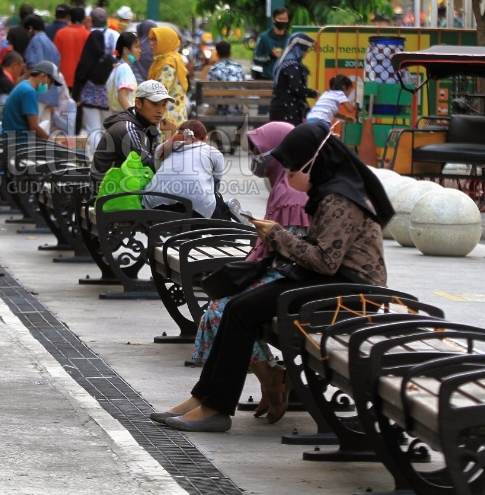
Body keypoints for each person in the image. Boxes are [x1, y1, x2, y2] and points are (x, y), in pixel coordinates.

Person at [151, 121, 392, 432]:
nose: (288, 174)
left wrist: (278, 235)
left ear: (313, 163)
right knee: (236, 307)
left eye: (292, 167)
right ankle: (204, 399)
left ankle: (215, 407)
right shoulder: (329, 190)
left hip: (352, 293)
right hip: (330, 282)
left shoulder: (339, 199)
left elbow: (325, 262)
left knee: (240, 311)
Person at [189, 122, 310, 421]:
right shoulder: (282, 185)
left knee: (222, 310)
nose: (255, 157)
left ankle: (267, 380)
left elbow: (290, 251)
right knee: (219, 307)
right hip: (280, 274)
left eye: (259, 151)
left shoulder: (293, 193)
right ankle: (268, 378)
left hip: (291, 280)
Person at [91, 80, 173, 187]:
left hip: (127, 186)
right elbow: (154, 167)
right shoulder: (127, 129)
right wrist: (168, 136)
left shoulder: (147, 124)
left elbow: (157, 158)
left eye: (164, 105)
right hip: (109, 194)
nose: (161, 110)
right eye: (155, 104)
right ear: (138, 103)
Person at [143, 120, 228, 220]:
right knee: (215, 201)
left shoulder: (161, 149)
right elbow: (216, 184)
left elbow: (158, 171)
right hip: (194, 207)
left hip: (155, 205)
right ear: (206, 139)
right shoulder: (213, 152)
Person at [73, 23, 116, 150]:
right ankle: (109, 154)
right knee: (107, 129)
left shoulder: (85, 60)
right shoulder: (110, 60)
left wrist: (76, 97)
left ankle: (96, 156)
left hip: (88, 99)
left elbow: (79, 79)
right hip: (106, 99)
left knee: (93, 128)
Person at [1, 61, 62, 143]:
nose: (50, 88)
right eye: (50, 83)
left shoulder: (24, 86)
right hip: (20, 144)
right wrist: (52, 141)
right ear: (44, 76)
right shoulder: (29, 92)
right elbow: (34, 127)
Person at [269, 32, 317, 125]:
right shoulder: (292, 65)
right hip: (286, 110)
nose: (307, 52)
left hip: (281, 108)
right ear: (300, 49)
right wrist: (313, 93)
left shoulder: (285, 62)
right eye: (306, 49)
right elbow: (297, 88)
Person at [148, 26, 189, 133]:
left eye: (155, 40)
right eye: (151, 39)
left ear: (165, 41)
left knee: (166, 148)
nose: (151, 43)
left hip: (168, 118)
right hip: (172, 114)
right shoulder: (163, 59)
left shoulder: (169, 63)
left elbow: (160, 90)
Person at [53, 7, 90, 91]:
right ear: (83, 19)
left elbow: (55, 55)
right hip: (81, 78)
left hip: (63, 76)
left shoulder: (60, 33)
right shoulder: (88, 35)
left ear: (70, 17)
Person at [204, 41, 245, 116]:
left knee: (206, 115)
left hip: (218, 110)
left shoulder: (213, 69)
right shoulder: (239, 68)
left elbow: (208, 91)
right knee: (245, 110)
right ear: (230, 53)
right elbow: (243, 88)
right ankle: (240, 128)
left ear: (217, 54)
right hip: (237, 109)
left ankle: (212, 128)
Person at [107, 33, 140, 114]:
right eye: (136, 47)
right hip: (124, 117)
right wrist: (133, 117)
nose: (140, 50)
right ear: (126, 50)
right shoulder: (125, 69)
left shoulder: (117, 67)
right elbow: (122, 97)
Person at [253, 7, 290, 80]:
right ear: (273, 19)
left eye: (285, 19)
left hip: (285, 78)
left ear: (288, 20)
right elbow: (256, 58)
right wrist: (271, 56)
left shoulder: (290, 39)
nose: (282, 21)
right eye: (280, 19)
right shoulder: (263, 37)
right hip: (267, 77)